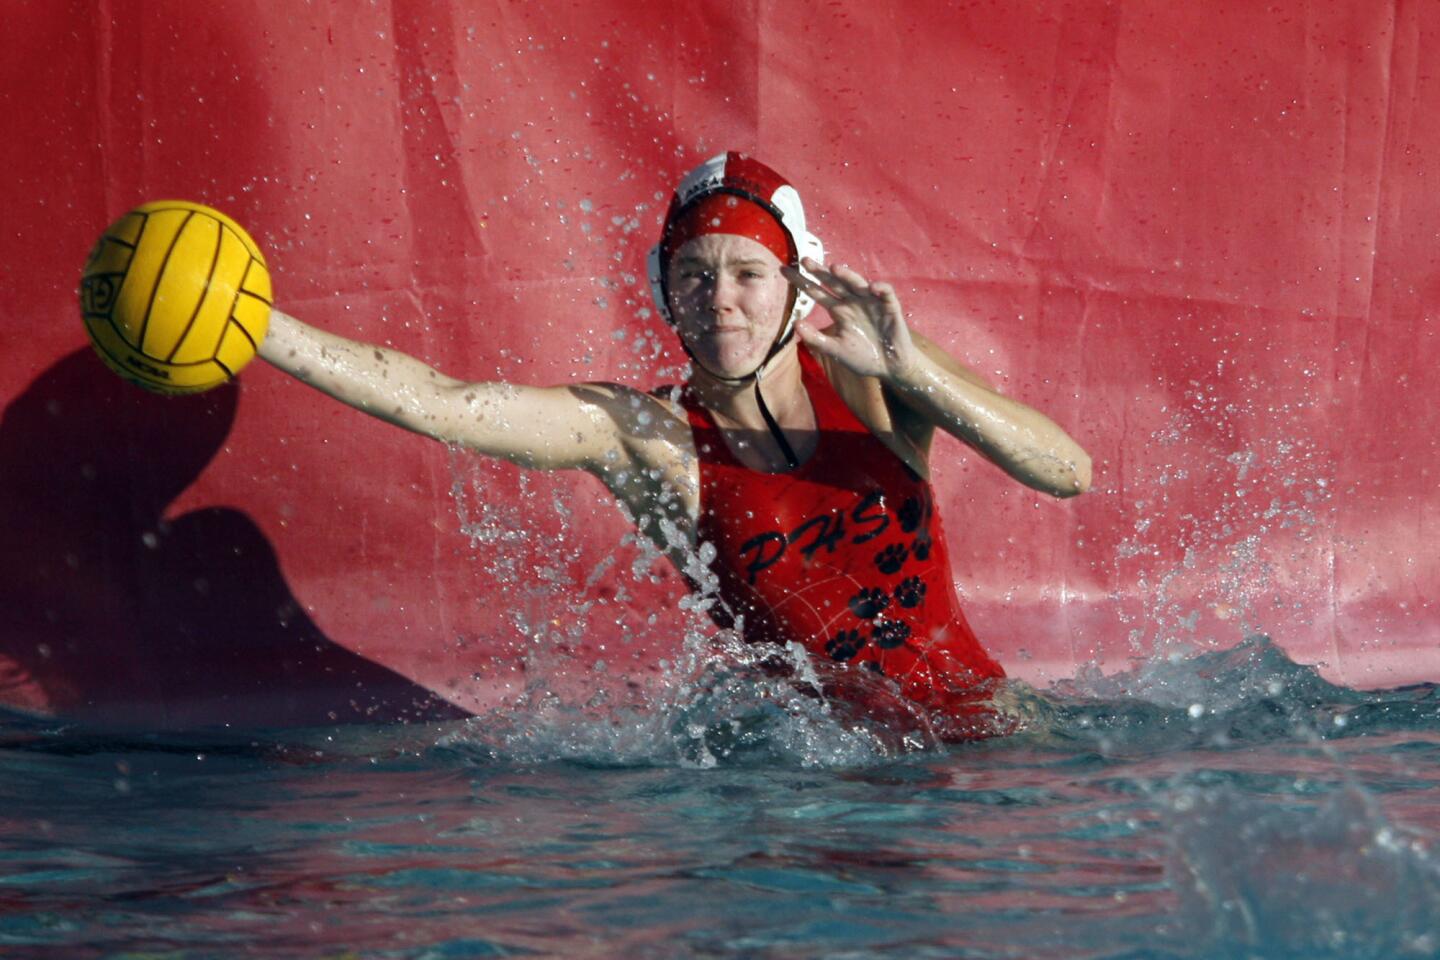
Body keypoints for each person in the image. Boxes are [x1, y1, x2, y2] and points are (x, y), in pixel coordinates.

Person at [259, 153, 1091, 740]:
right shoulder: (652, 440)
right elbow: (450, 405)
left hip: (998, 740)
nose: (720, 299)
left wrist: (921, 376)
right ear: (665, 289)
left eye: (748, 274)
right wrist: (259, 329)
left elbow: (1067, 473)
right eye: (695, 274)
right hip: (821, 793)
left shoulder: (876, 376)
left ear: (795, 285)